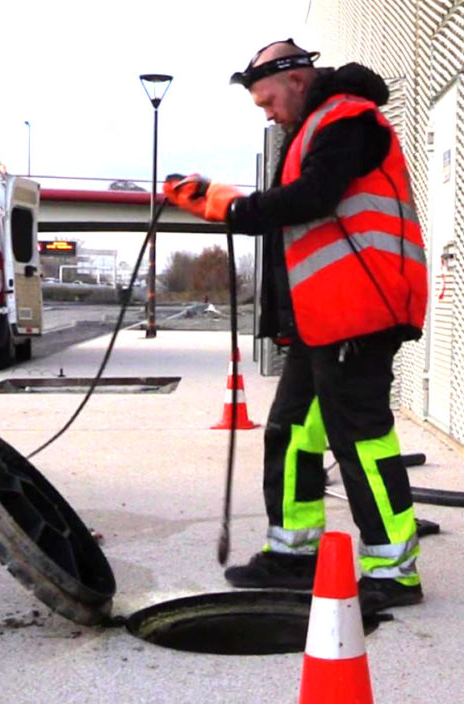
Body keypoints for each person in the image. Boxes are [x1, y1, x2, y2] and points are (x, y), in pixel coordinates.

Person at [163, 39, 428, 613]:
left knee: (361, 439)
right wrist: (226, 201)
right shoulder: (311, 130)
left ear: (298, 79)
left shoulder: (350, 118)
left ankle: (394, 570)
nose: (267, 112)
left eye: (268, 100)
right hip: (322, 320)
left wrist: (232, 208)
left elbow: (313, 198)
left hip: (360, 312)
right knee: (290, 431)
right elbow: (299, 222)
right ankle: (292, 554)